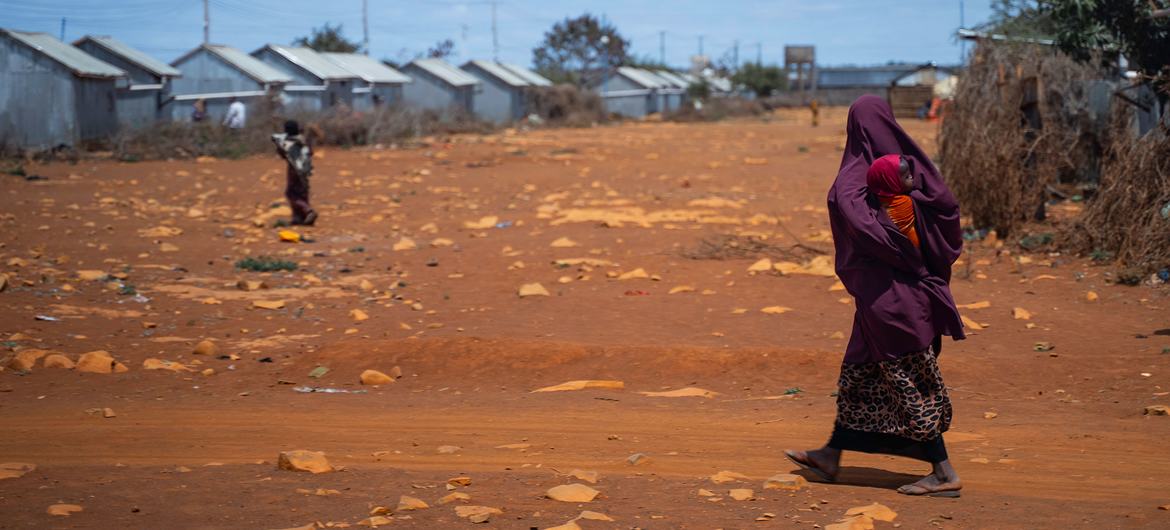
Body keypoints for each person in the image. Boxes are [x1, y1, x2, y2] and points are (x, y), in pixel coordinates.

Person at [785, 95, 966, 497]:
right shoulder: (913, 172)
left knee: (908, 380)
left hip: (892, 302)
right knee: (860, 375)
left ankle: (943, 473)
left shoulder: (853, 183)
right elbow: (946, 213)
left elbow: (867, 233)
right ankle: (830, 455)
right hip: (904, 297)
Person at [866, 154, 919, 248]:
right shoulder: (905, 202)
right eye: (906, 177)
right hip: (912, 247)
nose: (911, 177)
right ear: (891, 182)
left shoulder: (871, 201)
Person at [272, 120, 317, 225]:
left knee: (291, 193)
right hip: (305, 168)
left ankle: (308, 210)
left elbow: (283, 154)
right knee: (302, 191)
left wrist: (278, 146)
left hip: (294, 169)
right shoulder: (303, 139)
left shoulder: (287, 142)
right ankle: (299, 217)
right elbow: (310, 152)